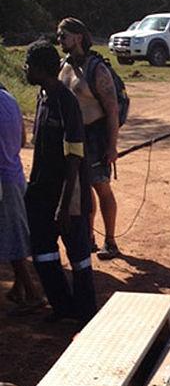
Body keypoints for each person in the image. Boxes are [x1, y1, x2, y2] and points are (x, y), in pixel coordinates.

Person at [24, 39, 97, 323]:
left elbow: (74, 157)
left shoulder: (66, 102)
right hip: (42, 193)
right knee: (43, 253)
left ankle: (86, 314)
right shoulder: (42, 97)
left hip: (69, 196)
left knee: (79, 257)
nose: (25, 69)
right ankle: (62, 308)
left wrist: (64, 206)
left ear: (42, 69)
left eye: (29, 66)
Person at [58, 17, 121, 259]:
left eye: (64, 36)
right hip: (72, 139)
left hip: (95, 138)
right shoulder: (63, 66)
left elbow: (112, 109)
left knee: (101, 187)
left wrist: (112, 146)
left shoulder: (98, 69)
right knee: (82, 190)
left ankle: (111, 241)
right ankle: (89, 238)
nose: (60, 40)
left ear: (78, 37)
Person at [0, 83, 41, 310]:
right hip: (14, 175)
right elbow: (23, 141)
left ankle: (33, 294)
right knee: (13, 234)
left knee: (13, 240)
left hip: (3, 182)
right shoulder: (10, 99)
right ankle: (19, 287)